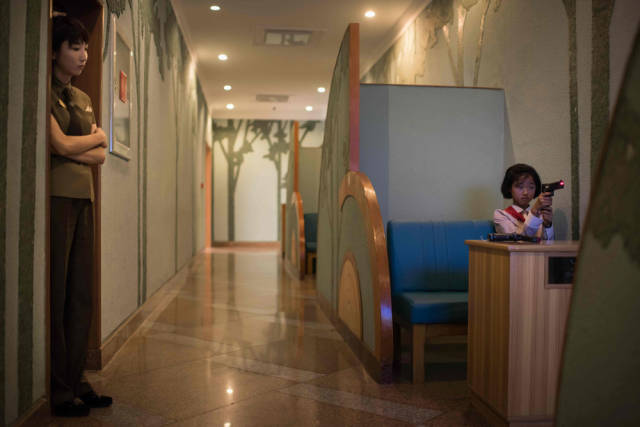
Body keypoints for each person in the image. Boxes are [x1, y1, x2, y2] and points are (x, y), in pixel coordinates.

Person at [50, 15, 112, 417]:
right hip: (58, 199)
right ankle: (58, 389)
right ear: (55, 51)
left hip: (84, 198)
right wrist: (93, 138)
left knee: (81, 294)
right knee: (57, 294)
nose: (84, 55)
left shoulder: (82, 98)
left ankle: (77, 378)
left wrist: (81, 145)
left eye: (86, 47)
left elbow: (100, 155)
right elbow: (56, 145)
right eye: (74, 47)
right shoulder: (47, 92)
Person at [494, 163, 554, 240]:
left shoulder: (540, 214)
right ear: (509, 188)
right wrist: (534, 211)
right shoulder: (501, 215)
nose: (526, 192)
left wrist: (547, 225)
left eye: (531, 187)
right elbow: (519, 241)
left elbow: (550, 244)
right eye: (520, 187)